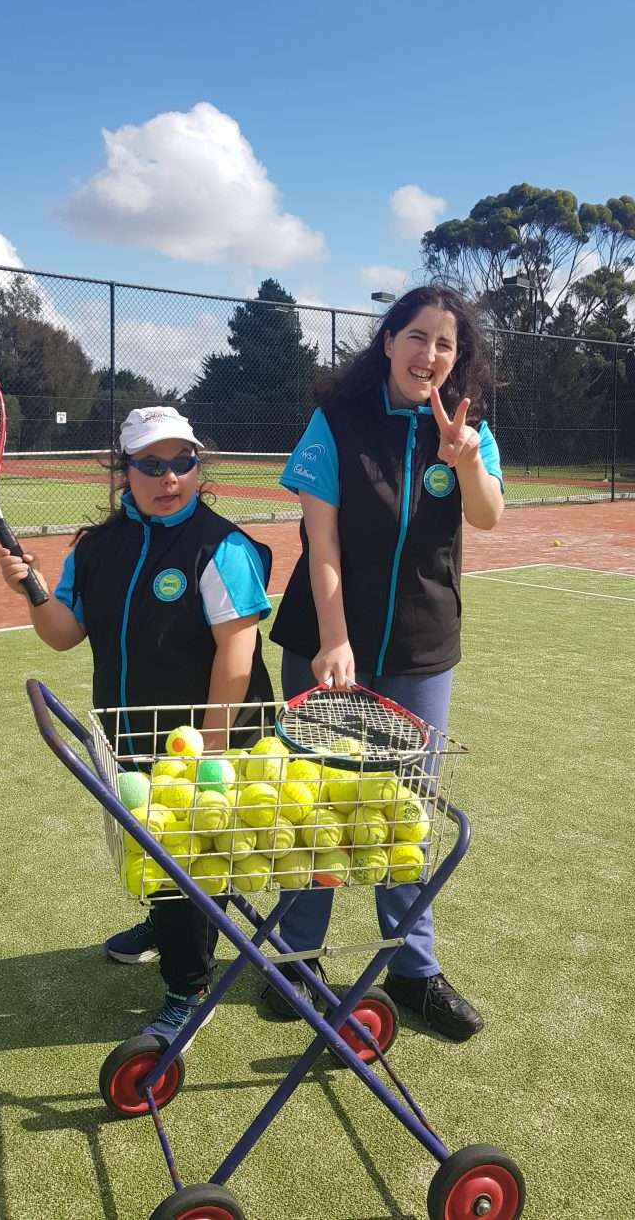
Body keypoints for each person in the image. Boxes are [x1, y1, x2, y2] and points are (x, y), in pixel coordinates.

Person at [268, 284, 504, 1041]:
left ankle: (412, 969)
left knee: (408, 811)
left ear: (457, 357)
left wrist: (464, 459)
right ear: (389, 340)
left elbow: (487, 514)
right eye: (417, 336)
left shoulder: (469, 429)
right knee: (319, 803)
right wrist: (334, 639)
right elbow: (321, 541)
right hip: (326, 642)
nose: (429, 354)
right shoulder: (337, 420)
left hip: (421, 648)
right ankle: (297, 957)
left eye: (445, 343)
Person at [0, 405, 273, 1047]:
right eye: (152, 463)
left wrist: (210, 746)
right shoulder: (97, 549)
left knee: (189, 856)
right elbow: (62, 635)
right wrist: (33, 589)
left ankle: (188, 991)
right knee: (159, 854)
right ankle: (169, 923)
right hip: (129, 736)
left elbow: (236, 654)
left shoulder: (222, 545)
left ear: (200, 468)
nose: (169, 476)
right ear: (126, 471)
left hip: (210, 739)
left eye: (183, 461)